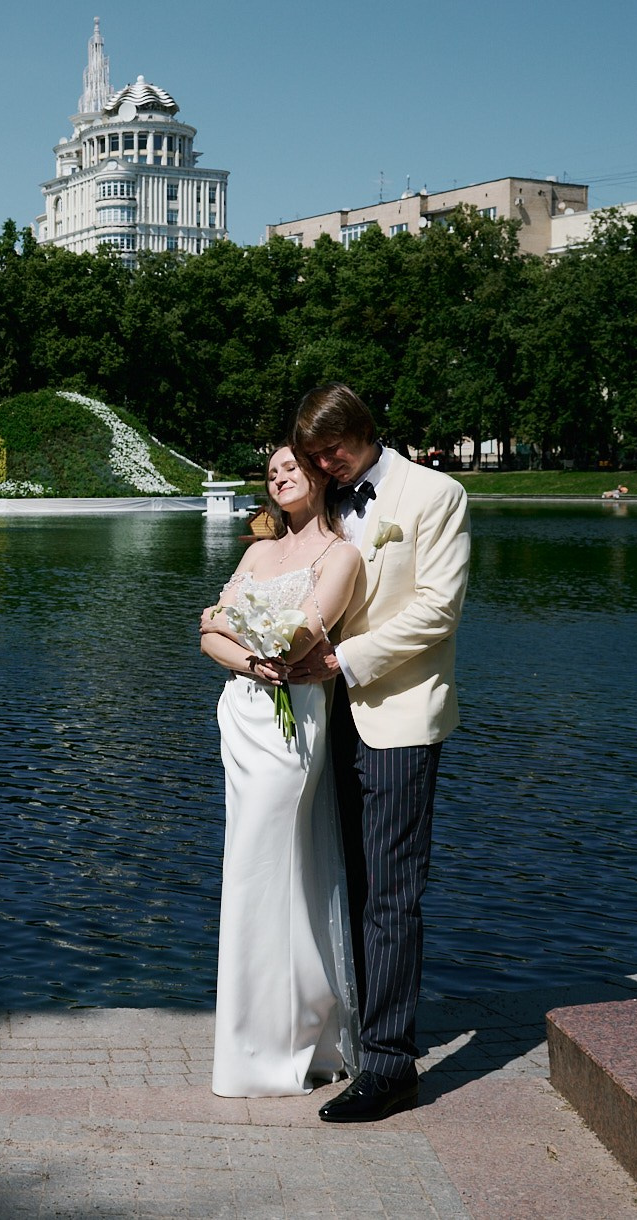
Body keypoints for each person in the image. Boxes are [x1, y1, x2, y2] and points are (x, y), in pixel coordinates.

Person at [286, 383, 470, 1123]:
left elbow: (437, 610)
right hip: (325, 718)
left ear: (363, 431)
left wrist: (343, 660)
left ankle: (391, 1067)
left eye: (331, 452)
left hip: (398, 715)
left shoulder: (435, 494)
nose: (324, 466)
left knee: (392, 894)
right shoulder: (325, 498)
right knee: (345, 885)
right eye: (315, 456)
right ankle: (358, 1039)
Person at [199, 443, 362, 1096]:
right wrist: (249, 658)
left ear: (320, 474)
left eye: (291, 467)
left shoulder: (341, 555)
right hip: (243, 713)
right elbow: (207, 637)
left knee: (259, 868)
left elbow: (300, 639)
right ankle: (281, 1035)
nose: (280, 477)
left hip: (293, 723)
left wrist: (234, 625)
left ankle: (275, 1046)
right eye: (271, 472)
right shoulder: (258, 552)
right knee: (255, 870)